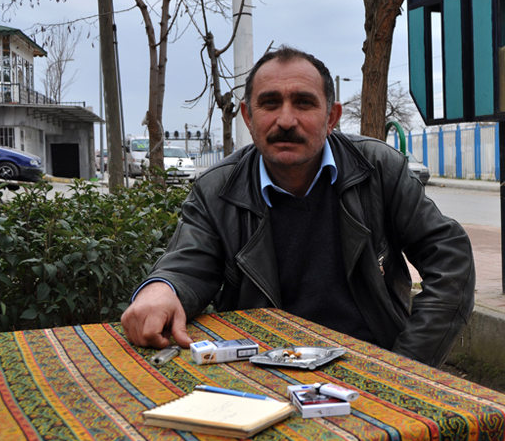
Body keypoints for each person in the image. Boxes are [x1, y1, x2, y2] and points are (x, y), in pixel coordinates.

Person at [121, 46, 476, 368]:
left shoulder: (379, 169)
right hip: (261, 367)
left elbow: (449, 257)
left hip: (374, 358)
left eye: (304, 103)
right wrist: (160, 288)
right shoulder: (216, 189)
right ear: (247, 116)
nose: (286, 120)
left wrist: (406, 364)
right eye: (270, 103)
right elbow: (187, 264)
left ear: (332, 116)